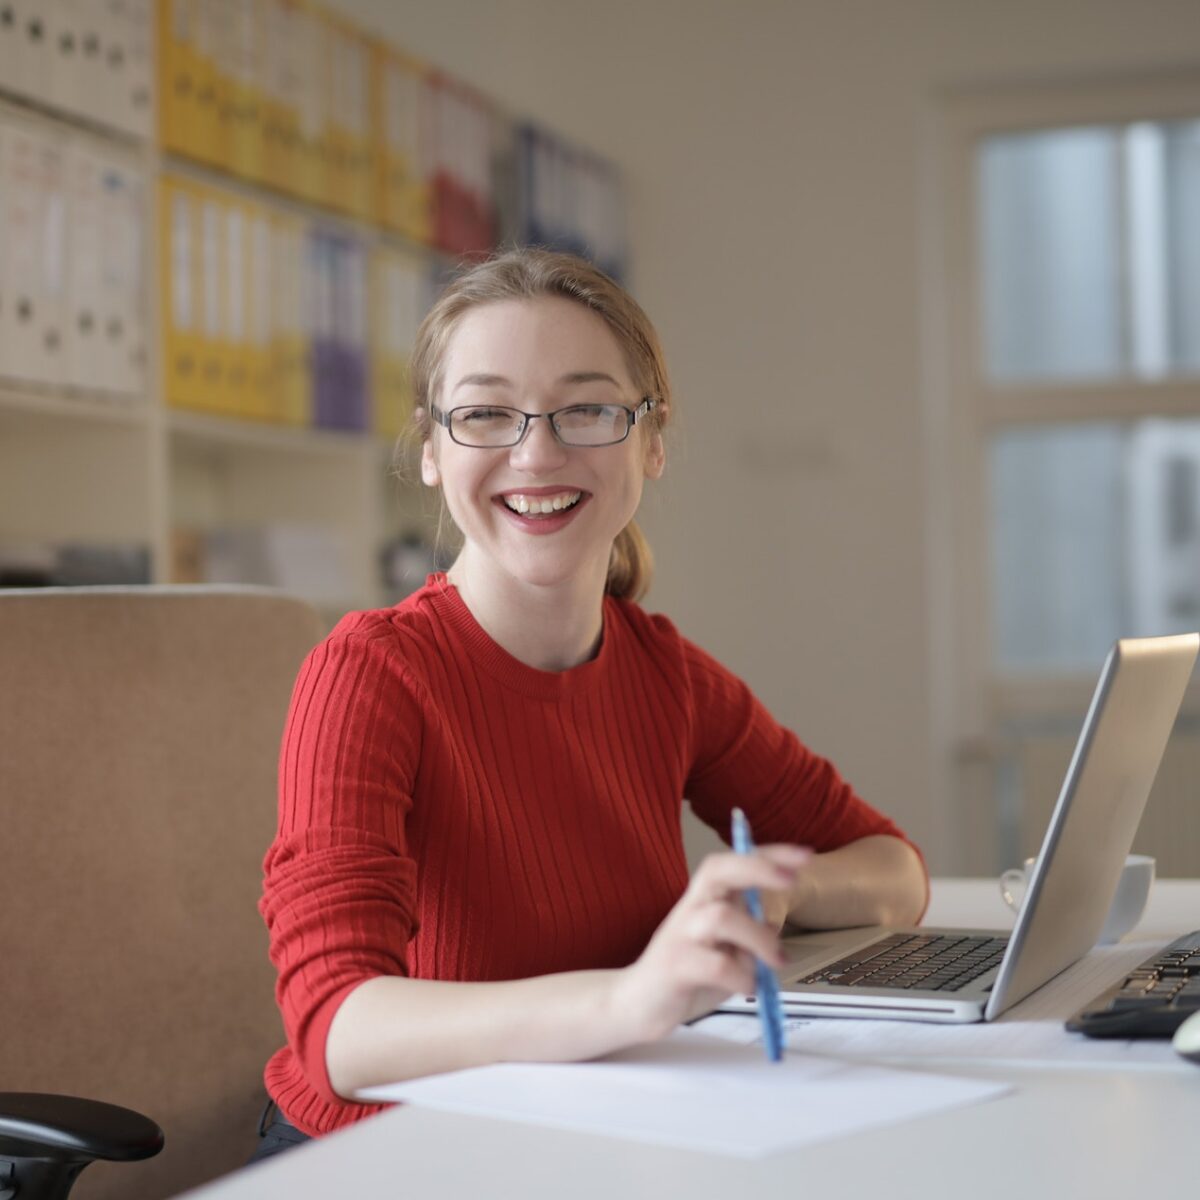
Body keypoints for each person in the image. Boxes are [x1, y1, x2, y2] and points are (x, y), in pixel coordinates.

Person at [252, 248, 928, 1158]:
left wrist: (774, 893)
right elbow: (340, 1034)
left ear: (650, 441)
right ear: (429, 450)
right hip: (388, 1154)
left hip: (583, 1131)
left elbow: (896, 871)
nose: (536, 451)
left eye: (587, 410)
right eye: (485, 413)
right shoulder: (370, 675)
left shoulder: (664, 672)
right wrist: (633, 999)